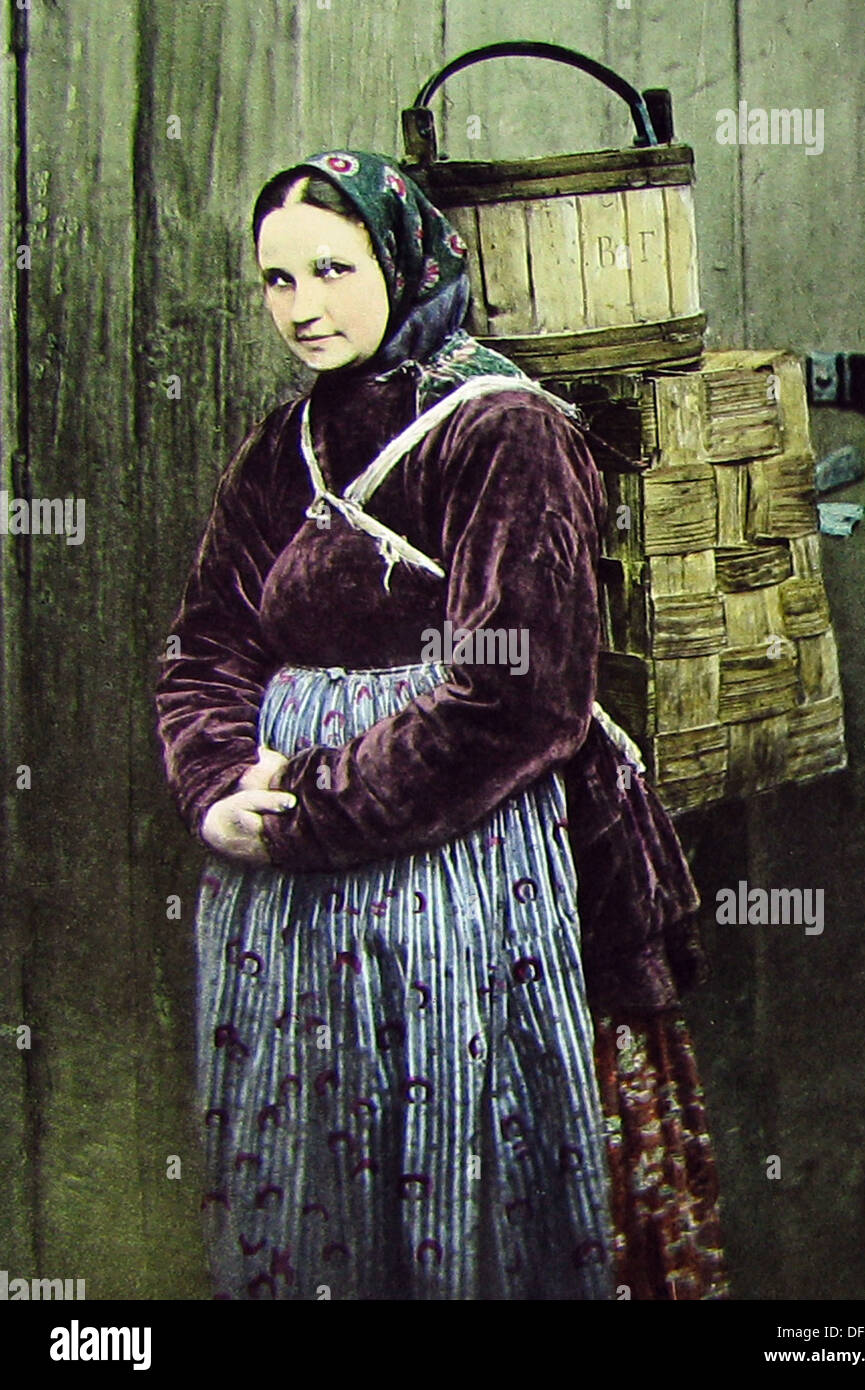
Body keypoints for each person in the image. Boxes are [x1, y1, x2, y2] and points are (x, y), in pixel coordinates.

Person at [155, 148, 728, 1301]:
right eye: (277, 281)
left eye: (332, 268)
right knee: (320, 1177)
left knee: (461, 1162)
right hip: (290, 899)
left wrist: (313, 806)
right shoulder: (288, 445)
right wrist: (220, 782)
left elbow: (518, 694)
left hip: (458, 868)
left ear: (403, 259)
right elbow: (207, 640)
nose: (303, 307)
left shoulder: (501, 428)